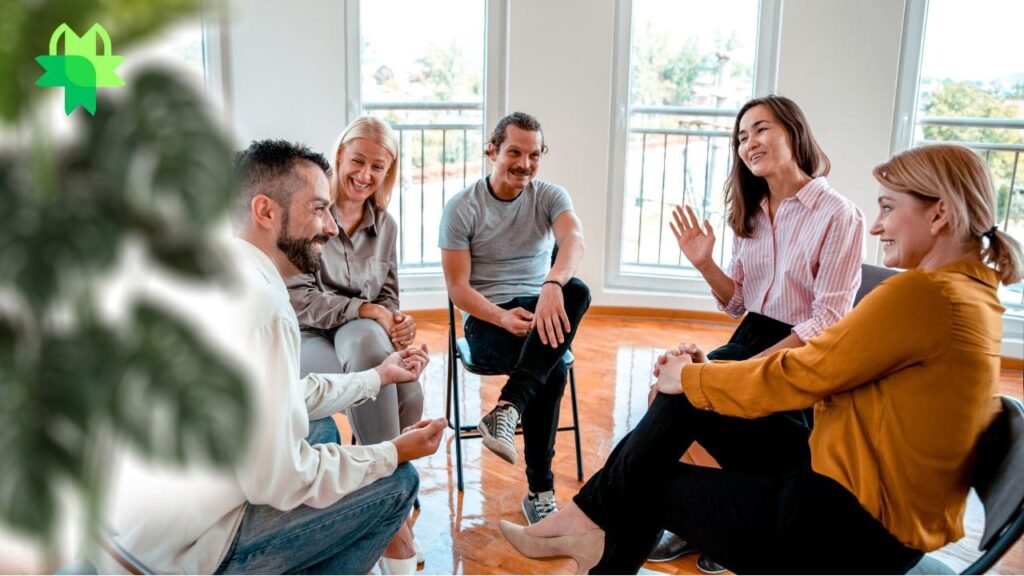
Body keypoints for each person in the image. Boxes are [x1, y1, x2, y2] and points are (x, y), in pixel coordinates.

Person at [499, 143, 1024, 574]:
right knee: (683, 408)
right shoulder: (971, 295)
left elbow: (807, 370)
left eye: (889, 207)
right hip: (858, 485)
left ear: (940, 213)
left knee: (648, 482)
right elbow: (823, 367)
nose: (877, 225)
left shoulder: (925, 296)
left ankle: (587, 534)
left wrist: (697, 379)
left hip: (850, 530)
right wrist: (703, 380)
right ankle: (583, 526)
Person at [96, 140, 446, 574]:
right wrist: (391, 452)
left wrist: (375, 377)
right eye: (318, 209)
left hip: (130, 525)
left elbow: (282, 395)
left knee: (318, 430)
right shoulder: (263, 307)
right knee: (398, 483)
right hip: (175, 552)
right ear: (265, 212)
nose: (331, 228)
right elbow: (280, 479)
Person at [650, 94, 865, 567]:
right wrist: (704, 262)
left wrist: (740, 372)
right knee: (667, 388)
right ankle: (700, 525)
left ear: (793, 131)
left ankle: (726, 526)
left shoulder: (839, 214)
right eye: (742, 137)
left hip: (801, 356)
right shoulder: (751, 211)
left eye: (761, 129)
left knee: (686, 394)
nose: (750, 143)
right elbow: (737, 303)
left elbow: (828, 321)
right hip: (750, 337)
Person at [285, 117, 425, 571]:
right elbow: (300, 298)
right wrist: (368, 313)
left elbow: (387, 295)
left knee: (412, 391)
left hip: (360, 335)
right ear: (340, 157)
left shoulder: (385, 225)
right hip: (309, 335)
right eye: (358, 161)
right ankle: (396, 519)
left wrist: (398, 323)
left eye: (378, 167)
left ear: (389, 172)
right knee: (368, 342)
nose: (365, 174)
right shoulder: (310, 213)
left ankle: (386, 504)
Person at [440, 111, 591, 524]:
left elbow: (574, 241)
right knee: (553, 366)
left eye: (534, 154)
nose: (525, 164)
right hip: (488, 320)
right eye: (514, 152)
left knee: (577, 290)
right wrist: (503, 319)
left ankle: (507, 408)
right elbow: (458, 290)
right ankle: (540, 492)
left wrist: (552, 286)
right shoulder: (462, 209)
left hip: (541, 306)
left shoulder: (549, 196)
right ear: (492, 150)